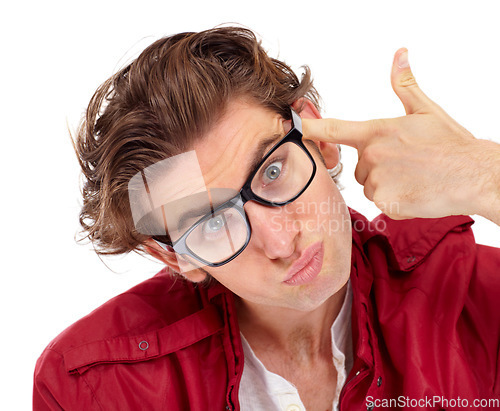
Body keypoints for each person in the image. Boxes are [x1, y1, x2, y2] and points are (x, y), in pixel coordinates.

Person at [33, 26, 500, 411]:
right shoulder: (91, 390)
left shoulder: (478, 297)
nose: (280, 242)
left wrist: (484, 176)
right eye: (213, 222)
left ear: (319, 141)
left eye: (272, 171)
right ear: (175, 258)